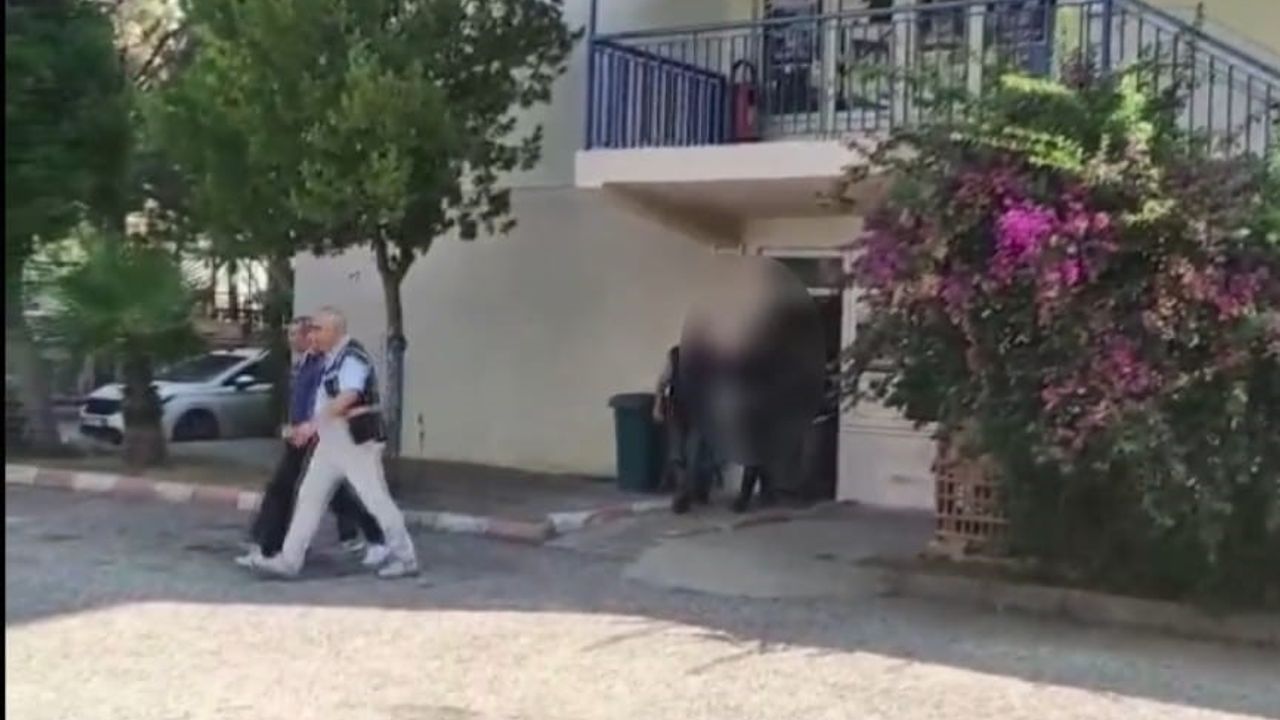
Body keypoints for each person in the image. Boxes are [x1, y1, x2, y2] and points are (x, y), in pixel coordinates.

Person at [248, 307, 419, 579]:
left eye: (318, 329)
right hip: (330, 443)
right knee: (309, 496)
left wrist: (312, 426)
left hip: (355, 443)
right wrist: (308, 428)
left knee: (376, 500)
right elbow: (324, 399)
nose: (312, 334)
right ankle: (290, 560)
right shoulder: (330, 357)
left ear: (335, 331)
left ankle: (405, 557)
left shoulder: (352, 358)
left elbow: (348, 396)